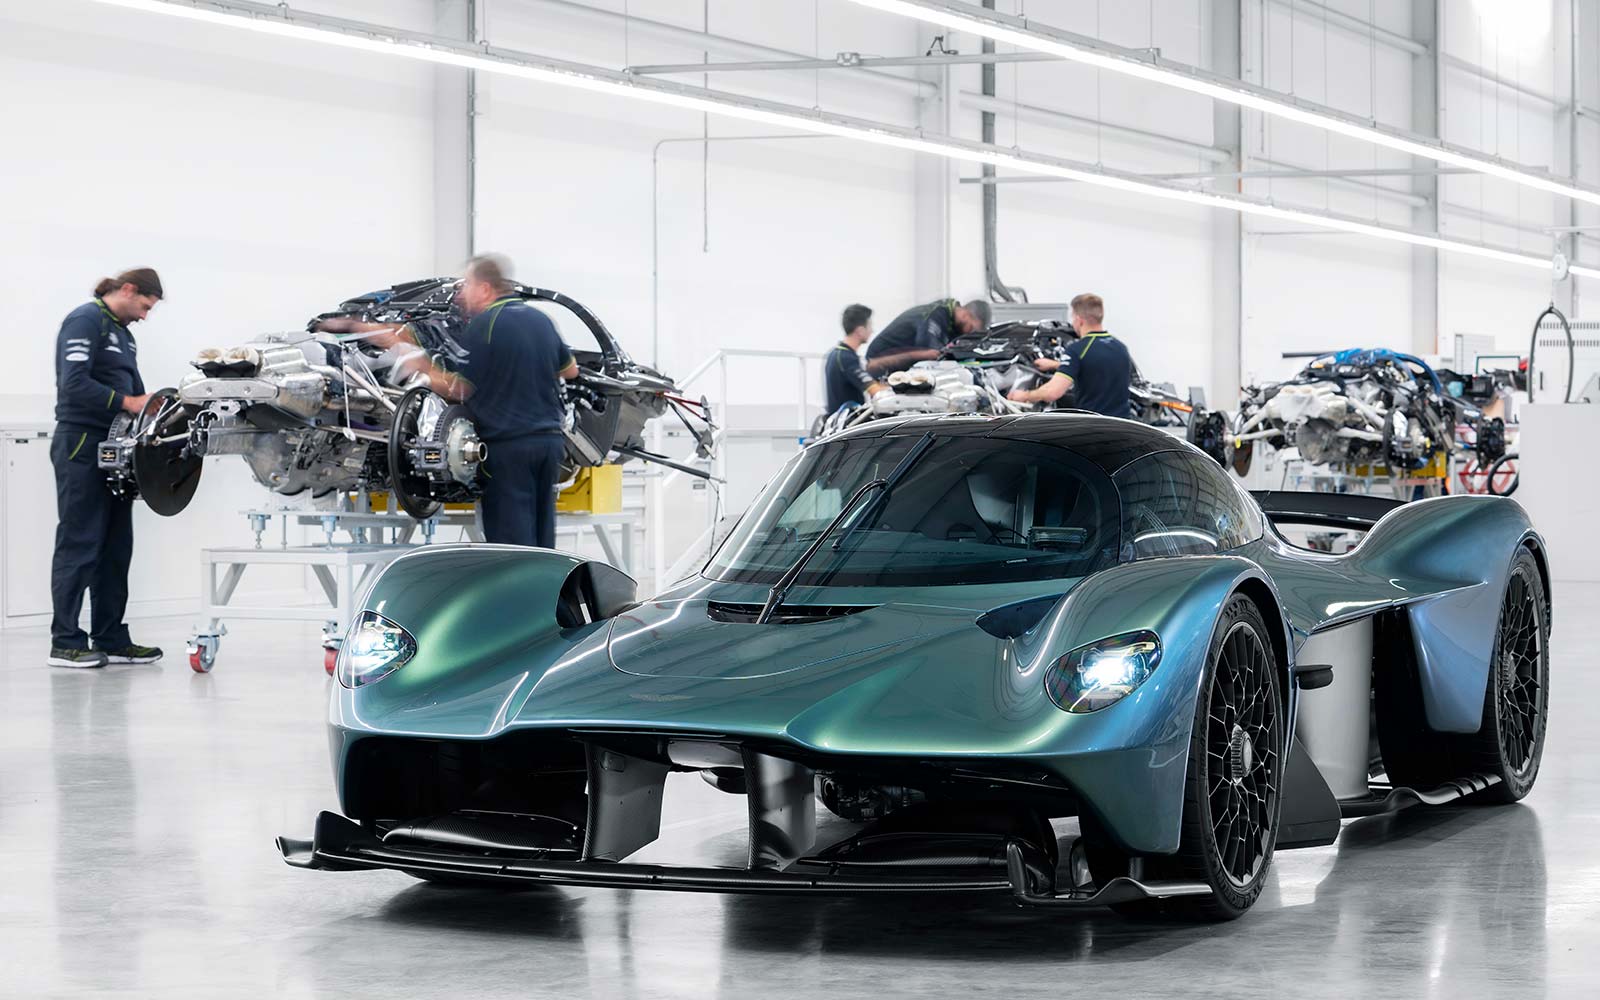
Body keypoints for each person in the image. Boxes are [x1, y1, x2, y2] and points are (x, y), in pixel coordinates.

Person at [342, 255, 579, 549]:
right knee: (542, 537)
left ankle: (516, 593)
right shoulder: (541, 320)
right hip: (549, 444)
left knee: (511, 544)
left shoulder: (486, 324)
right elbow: (571, 370)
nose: (462, 293)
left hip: (509, 448)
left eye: (467, 285)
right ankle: (547, 591)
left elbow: (460, 388)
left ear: (485, 288)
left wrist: (416, 361)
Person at [49, 269, 165, 668]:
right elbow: (73, 383)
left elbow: (132, 389)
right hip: (82, 441)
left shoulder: (122, 332)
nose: (146, 316)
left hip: (118, 446)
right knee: (80, 542)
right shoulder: (86, 320)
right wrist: (129, 402)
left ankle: (111, 637)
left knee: (116, 546)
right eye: (145, 306)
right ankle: (65, 642)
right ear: (128, 290)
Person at [1007, 293, 1133, 417]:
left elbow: (1053, 392)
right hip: (1121, 426)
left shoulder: (1078, 349)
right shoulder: (1120, 348)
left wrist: (1024, 396)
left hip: (1095, 427)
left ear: (1079, 320)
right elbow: (1095, 365)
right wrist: (1055, 365)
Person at [863, 298, 991, 376]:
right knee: (932, 354)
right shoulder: (937, 313)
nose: (969, 333)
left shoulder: (951, 323)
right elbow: (931, 351)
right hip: (878, 362)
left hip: (898, 365)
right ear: (965, 315)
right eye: (971, 328)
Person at [823, 304, 884, 413]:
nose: (872, 331)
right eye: (870, 326)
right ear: (860, 331)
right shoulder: (845, 358)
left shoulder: (835, 353)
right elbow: (876, 391)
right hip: (848, 424)